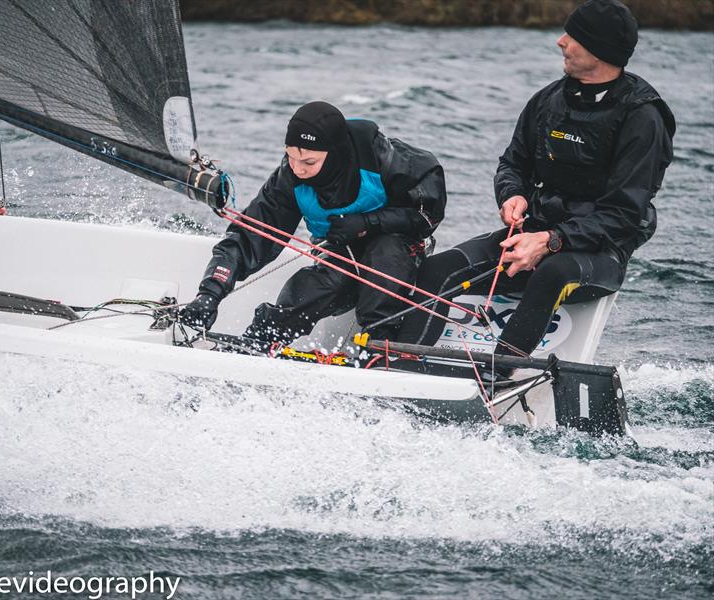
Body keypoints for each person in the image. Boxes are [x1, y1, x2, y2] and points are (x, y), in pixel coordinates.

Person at [396, 0, 675, 376]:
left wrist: (551, 240)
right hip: (534, 232)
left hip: (598, 253)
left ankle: (496, 374)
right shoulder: (548, 100)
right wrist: (512, 194)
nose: (561, 42)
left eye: (572, 36)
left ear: (600, 50)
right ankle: (403, 367)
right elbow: (513, 163)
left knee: (552, 273)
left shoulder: (642, 117)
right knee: (436, 271)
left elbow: (625, 214)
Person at [179, 101, 446, 348]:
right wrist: (210, 293)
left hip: (397, 246)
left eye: (308, 162)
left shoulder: (380, 158)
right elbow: (250, 237)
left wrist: (369, 222)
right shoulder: (290, 178)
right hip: (339, 248)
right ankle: (263, 339)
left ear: (336, 154)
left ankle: (381, 342)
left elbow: (427, 214)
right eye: (291, 157)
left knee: (385, 253)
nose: (298, 169)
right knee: (323, 284)